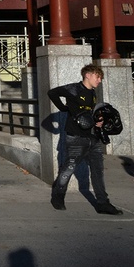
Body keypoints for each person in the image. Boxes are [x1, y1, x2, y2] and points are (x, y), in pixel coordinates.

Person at [47, 64, 121, 214]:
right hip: (75, 137)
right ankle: (58, 196)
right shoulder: (74, 89)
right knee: (69, 167)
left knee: (98, 171)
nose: (99, 80)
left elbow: (90, 113)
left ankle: (102, 203)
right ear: (87, 75)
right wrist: (63, 108)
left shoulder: (92, 93)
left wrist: (98, 122)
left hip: (92, 137)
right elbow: (52, 93)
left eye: (100, 78)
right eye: (97, 76)